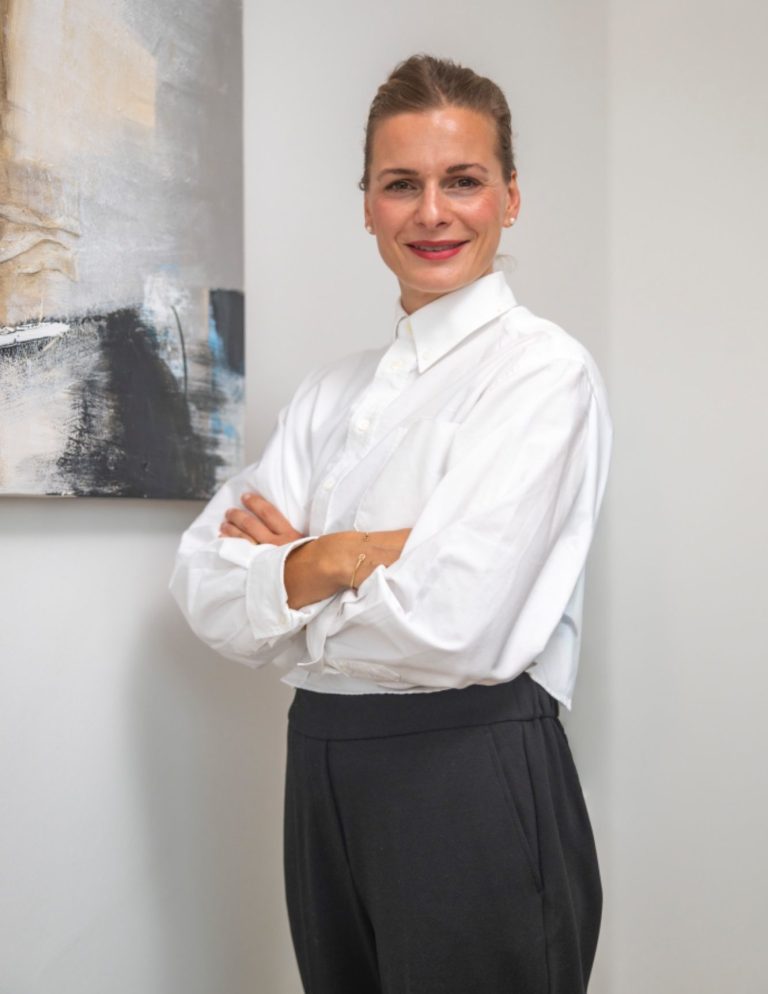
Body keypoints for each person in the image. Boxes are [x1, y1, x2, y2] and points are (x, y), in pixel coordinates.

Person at [170, 53, 612, 994]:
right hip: (321, 764)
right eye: (401, 184)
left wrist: (288, 585)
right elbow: (203, 587)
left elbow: (453, 624)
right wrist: (349, 555)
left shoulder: (541, 373)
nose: (432, 212)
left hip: (470, 767)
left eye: (464, 181)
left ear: (510, 198)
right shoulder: (329, 393)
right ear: (367, 204)